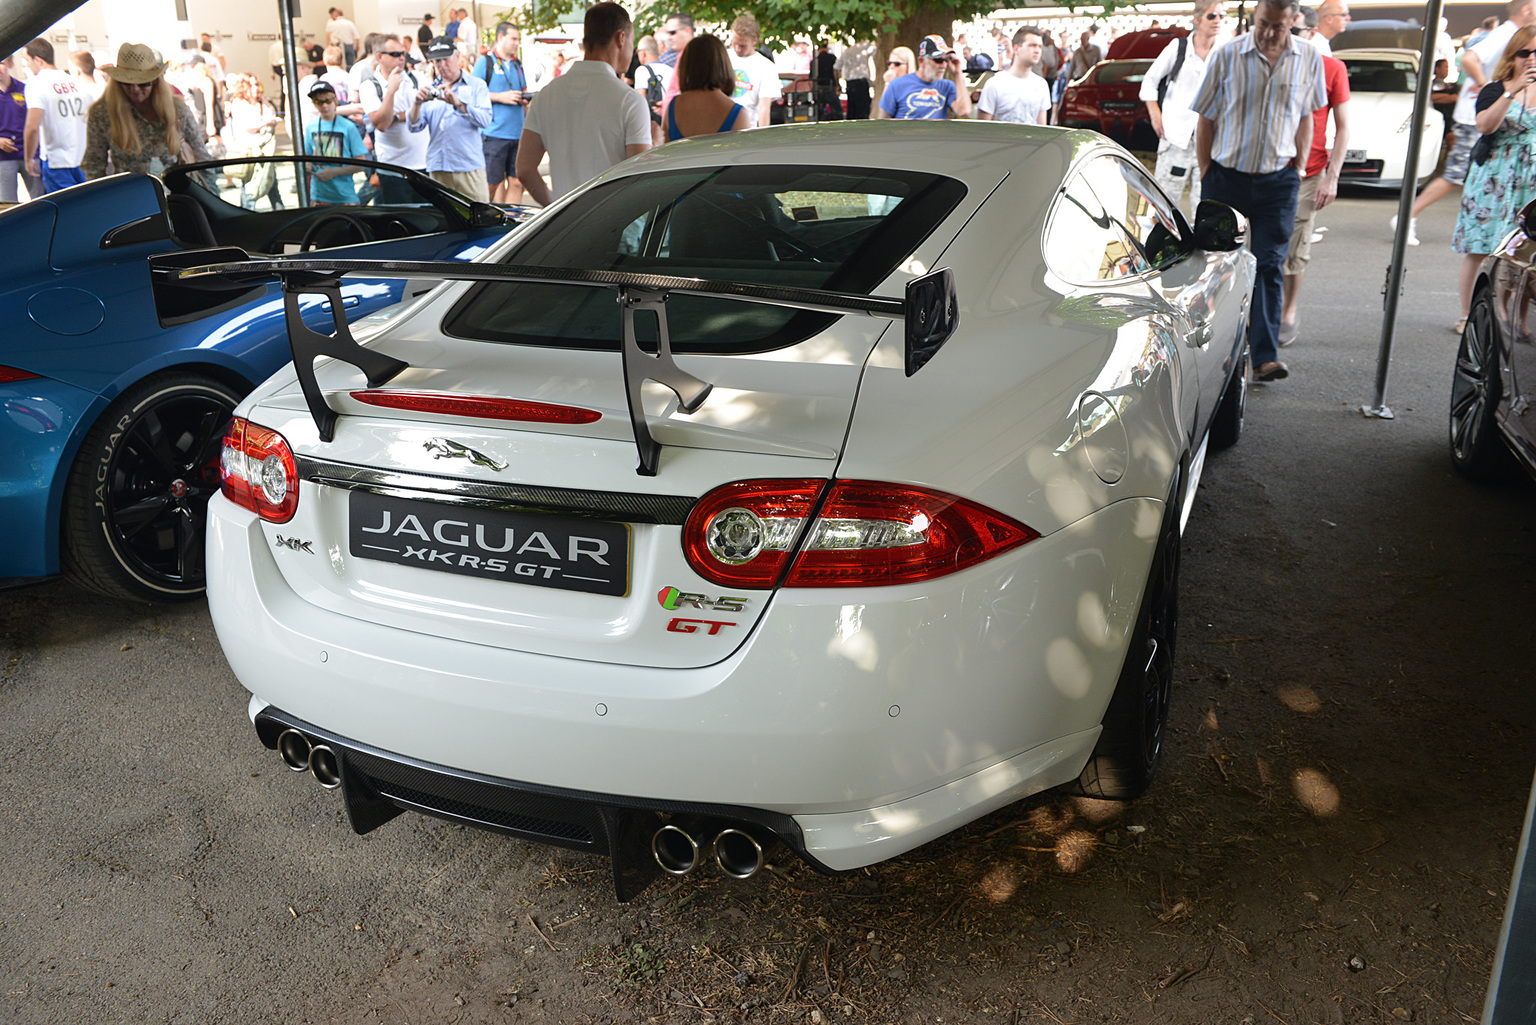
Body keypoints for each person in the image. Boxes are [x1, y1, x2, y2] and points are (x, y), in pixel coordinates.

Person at [1193, 0, 1326, 383]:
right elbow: (1206, 117)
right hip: (1226, 177)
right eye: (1265, 24)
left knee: (1269, 266)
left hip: (1277, 181)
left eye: (1279, 27)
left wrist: (1298, 169)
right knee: (1216, 265)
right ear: (1255, 18)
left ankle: (1264, 358)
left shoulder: (1308, 58)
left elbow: (1306, 117)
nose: (1270, 33)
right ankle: (1209, 353)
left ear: (1292, 22)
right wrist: (1207, 172)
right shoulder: (1228, 55)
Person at [1399, 0, 1533, 249]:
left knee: (1459, 174)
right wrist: (1488, 86)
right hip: (1483, 115)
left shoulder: (1513, 34)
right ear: (1526, 10)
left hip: (1502, 113)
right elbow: (1470, 58)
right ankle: (1407, 216)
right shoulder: (1506, 33)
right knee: (1457, 174)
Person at [516, 2, 652, 206]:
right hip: (618, 225)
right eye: (632, 41)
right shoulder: (630, 100)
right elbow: (640, 176)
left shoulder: (546, 96)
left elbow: (525, 169)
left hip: (568, 228)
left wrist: (556, 209)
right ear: (621, 38)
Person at [1453, 28, 1536, 329]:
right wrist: (1511, 92)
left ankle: (1515, 318)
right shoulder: (1494, 88)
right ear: (1512, 56)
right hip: (1494, 179)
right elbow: (1485, 126)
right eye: (1524, 53)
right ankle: (1467, 314)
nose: (1531, 59)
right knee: (1479, 248)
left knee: (1524, 252)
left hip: (1530, 179)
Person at [1279, 7, 1350, 346]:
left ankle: (1289, 310)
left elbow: (1345, 126)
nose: (1291, 38)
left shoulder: (1332, 68)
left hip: (1309, 172)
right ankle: (1260, 309)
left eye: (1297, 32)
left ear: (1311, 32)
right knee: (1259, 245)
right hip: (1267, 171)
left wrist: (1331, 177)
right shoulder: (1269, 65)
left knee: (1296, 246)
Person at [1141, 0, 1226, 212]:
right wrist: (1155, 114)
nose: (1218, 21)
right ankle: (1166, 243)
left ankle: (1204, 245)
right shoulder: (1178, 48)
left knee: (1207, 202)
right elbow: (1150, 81)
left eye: (1222, 16)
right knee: (1166, 203)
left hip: (1211, 140)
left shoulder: (1224, 51)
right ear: (1197, 19)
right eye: (1212, 16)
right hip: (1176, 137)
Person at [81, 42, 208, 180]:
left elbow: (201, 156)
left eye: (143, 83)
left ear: (155, 81)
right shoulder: (102, 114)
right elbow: (93, 165)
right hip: (129, 196)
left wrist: (211, 197)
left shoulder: (177, 109)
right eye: (127, 83)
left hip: (177, 196)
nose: (134, 89)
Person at [409, 37, 493, 203]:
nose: (442, 65)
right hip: (439, 166)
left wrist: (459, 104)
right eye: (437, 61)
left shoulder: (477, 86)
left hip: (468, 166)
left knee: (478, 216)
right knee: (445, 219)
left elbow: (485, 120)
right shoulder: (430, 88)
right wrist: (417, 104)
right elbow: (414, 127)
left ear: (457, 57)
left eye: (445, 59)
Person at [362, 34, 429, 199]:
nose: (401, 58)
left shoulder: (416, 78)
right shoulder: (370, 86)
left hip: (424, 165)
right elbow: (382, 124)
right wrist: (391, 91)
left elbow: (427, 111)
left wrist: (397, 117)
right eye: (395, 54)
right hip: (394, 170)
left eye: (403, 53)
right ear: (380, 57)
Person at [22, 38, 89, 192]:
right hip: (83, 159)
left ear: (37, 60)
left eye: (26, 60)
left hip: (57, 162)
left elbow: (32, 127)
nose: (25, 65)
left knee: (66, 210)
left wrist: (28, 158)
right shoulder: (76, 82)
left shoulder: (37, 84)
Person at [475, 22, 530, 204]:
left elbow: (522, 89)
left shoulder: (517, 64)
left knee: (517, 182)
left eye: (518, 39)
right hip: (494, 134)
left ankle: (511, 223)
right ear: (500, 37)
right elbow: (473, 93)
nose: (516, 43)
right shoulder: (485, 62)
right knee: (491, 184)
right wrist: (500, 97)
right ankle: (483, 220)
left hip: (518, 133)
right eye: (513, 38)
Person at [665, 34, 748, 140]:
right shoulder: (739, 114)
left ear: (687, 65)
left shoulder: (673, 107)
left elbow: (665, 152)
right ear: (723, 65)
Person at [876, 35, 972, 119]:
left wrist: (957, 74)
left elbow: (964, 111)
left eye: (946, 59)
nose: (943, 65)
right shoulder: (897, 85)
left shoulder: (947, 86)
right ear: (921, 61)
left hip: (934, 138)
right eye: (938, 60)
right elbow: (882, 121)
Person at [304, 81, 365, 204]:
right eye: (318, 102)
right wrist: (308, 166)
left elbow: (361, 163)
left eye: (328, 101)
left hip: (345, 197)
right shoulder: (311, 127)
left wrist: (333, 173)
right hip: (318, 196)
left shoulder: (348, 127)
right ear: (314, 104)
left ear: (335, 100)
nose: (324, 106)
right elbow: (306, 159)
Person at [976, 26, 1051, 124]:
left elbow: (1042, 129)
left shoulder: (1041, 85)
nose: (1037, 50)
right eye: (1032, 45)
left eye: (1040, 46)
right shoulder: (994, 84)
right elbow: (982, 129)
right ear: (1016, 48)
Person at [727, 15, 781, 127]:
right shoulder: (723, 57)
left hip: (747, 130)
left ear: (755, 40)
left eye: (742, 46)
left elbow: (764, 108)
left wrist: (762, 137)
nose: (737, 49)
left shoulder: (766, 67)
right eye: (734, 43)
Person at [0, 57, 27, 202]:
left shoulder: (24, 89)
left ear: (11, 64)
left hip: (28, 155)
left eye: (2, 63)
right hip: (3, 158)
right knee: (7, 203)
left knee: (40, 199)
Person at [633, 35, 672, 123]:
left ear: (643, 53)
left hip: (654, 122)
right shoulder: (670, 69)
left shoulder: (642, 70)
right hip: (669, 118)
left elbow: (640, 102)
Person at [835, 38, 876, 119]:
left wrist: (838, 84)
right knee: (863, 111)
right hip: (861, 83)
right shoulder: (866, 48)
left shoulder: (846, 51)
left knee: (852, 110)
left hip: (850, 83)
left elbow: (836, 67)